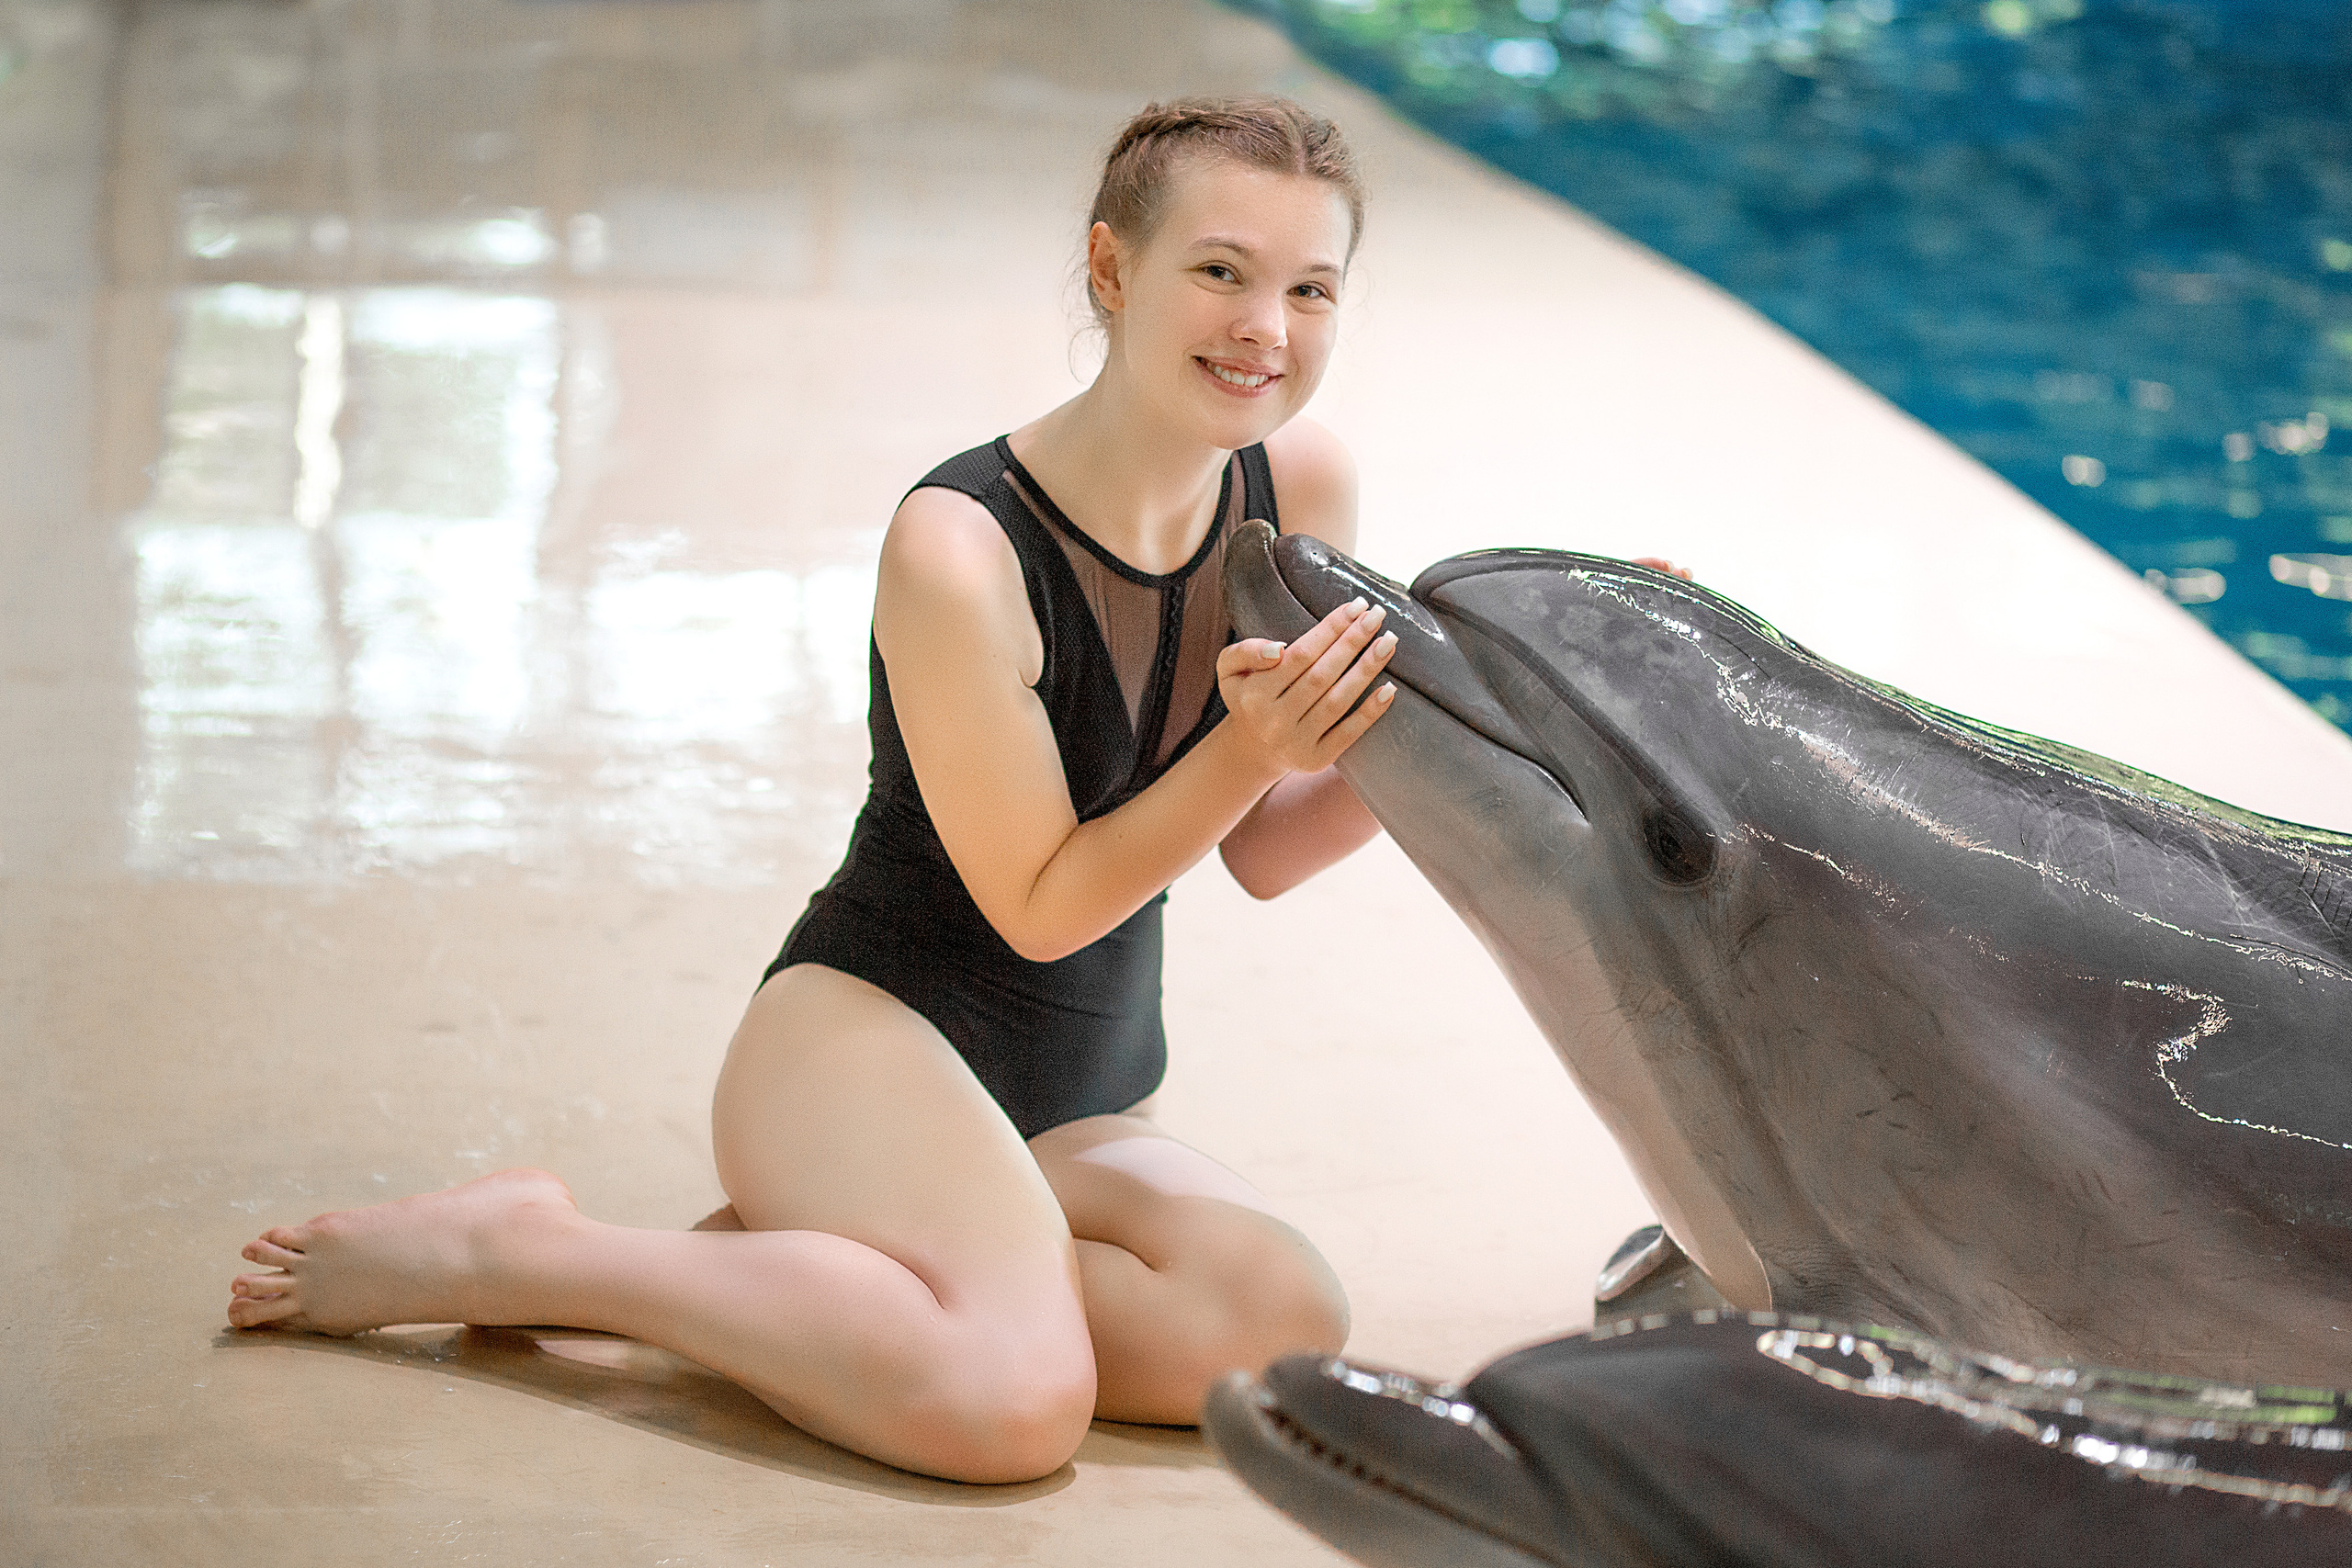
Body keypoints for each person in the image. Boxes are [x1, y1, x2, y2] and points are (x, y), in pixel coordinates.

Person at [228, 96, 1407, 1485]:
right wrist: (1253, 748)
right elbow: (1040, 907)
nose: (1264, 326)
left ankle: (835, 1278)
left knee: (1277, 1328)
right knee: (1013, 1405)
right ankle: (533, 1255)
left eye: (1309, 288)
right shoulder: (961, 545)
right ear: (1111, 270)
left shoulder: (1297, 481)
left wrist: (1514, 730)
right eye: (1220, 270)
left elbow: (1263, 851)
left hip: (1077, 1094)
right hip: (866, 1043)